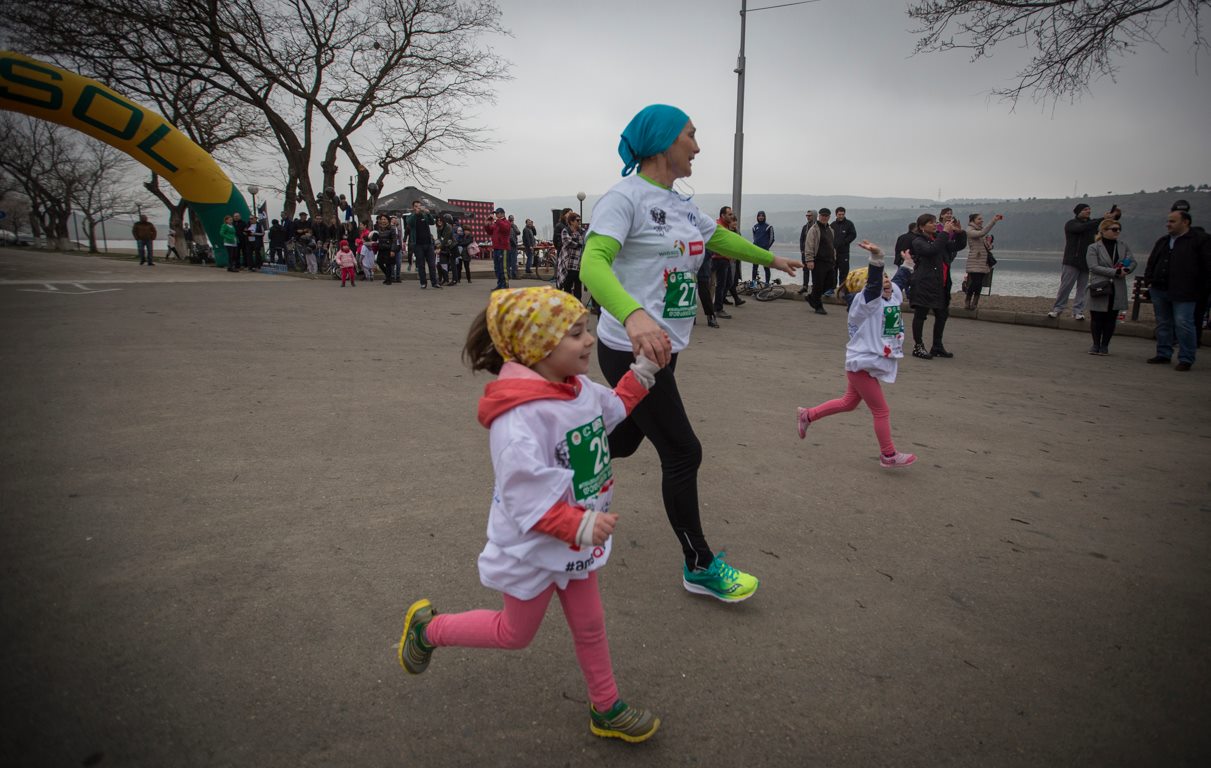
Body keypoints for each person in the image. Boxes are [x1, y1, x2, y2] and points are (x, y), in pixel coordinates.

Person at [398, 286, 663, 743]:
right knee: (513, 633)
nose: (589, 340)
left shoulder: (579, 389)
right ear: (538, 346)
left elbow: (615, 408)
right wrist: (580, 525)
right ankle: (429, 630)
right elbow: (525, 502)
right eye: (576, 334)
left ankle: (606, 707)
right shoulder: (517, 421)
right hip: (536, 547)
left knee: (591, 624)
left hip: (576, 543)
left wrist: (644, 371)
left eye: (586, 329)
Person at [580, 104, 800, 601]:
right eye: (691, 136)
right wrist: (634, 315)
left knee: (625, 441)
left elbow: (716, 236)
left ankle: (561, 458)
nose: (698, 147)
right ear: (663, 142)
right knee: (682, 451)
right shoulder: (624, 198)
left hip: (666, 348)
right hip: (632, 348)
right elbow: (593, 265)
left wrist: (770, 258)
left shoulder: (679, 203)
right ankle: (698, 565)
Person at [797, 241, 917, 468]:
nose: (887, 282)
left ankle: (808, 415)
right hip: (862, 365)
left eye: (887, 278)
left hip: (866, 363)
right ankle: (888, 455)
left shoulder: (891, 296)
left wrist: (907, 265)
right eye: (882, 280)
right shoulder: (865, 304)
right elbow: (873, 286)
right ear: (866, 289)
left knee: (848, 403)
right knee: (881, 410)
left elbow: (899, 281)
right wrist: (877, 259)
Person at [1144, 209, 1211, 371]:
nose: (1168, 224)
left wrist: (1201, 289)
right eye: (1168, 221)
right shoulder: (1163, 241)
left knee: (1183, 323)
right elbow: (1152, 262)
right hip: (1160, 288)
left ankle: (1186, 358)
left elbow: (1207, 266)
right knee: (1163, 323)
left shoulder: (1199, 240)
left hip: (1185, 291)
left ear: (1185, 222)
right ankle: (1163, 353)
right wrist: (1149, 281)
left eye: (1172, 221)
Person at [909, 213, 967, 359]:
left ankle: (937, 346)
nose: (935, 224)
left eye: (935, 222)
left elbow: (958, 246)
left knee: (942, 314)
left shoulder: (939, 239)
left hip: (941, 284)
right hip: (924, 283)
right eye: (931, 222)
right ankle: (918, 346)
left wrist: (959, 233)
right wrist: (945, 232)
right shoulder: (918, 241)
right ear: (921, 226)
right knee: (920, 314)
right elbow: (931, 250)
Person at [1049, 203, 1116, 320]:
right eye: (1085, 209)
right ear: (1078, 211)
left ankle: (1078, 311)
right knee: (1066, 287)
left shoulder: (1093, 224)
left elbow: (1106, 227)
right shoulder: (1071, 224)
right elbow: (1081, 228)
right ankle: (1057, 309)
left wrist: (1111, 217)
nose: (1088, 211)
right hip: (1071, 261)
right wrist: (1102, 219)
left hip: (1086, 262)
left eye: (1089, 209)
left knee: (1082, 289)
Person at [1085, 219, 1134, 355]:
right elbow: (1093, 266)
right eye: (1114, 229)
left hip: (1117, 286)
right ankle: (1095, 344)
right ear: (1103, 230)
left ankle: (1105, 345)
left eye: (1118, 229)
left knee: (1111, 318)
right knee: (1097, 317)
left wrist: (1126, 270)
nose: (1117, 232)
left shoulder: (1123, 246)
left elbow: (1132, 262)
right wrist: (1115, 272)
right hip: (1100, 285)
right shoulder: (1094, 247)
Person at [963, 213, 1002, 310]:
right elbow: (981, 233)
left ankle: (975, 302)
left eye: (982, 219)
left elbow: (986, 246)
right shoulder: (969, 230)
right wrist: (993, 221)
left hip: (983, 261)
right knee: (975, 282)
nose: (981, 221)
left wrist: (989, 244)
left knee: (979, 283)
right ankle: (968, 299)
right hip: (974, 261)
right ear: (973, 220)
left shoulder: (981, 230)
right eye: (979, 219)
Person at [803, 208, 835, 315]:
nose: (824, 218)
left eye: (826, 216)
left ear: (829, 217)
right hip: (818, 261)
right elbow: (809, 245)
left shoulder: (830, 230)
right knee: (818, 284)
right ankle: (818, 306)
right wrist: (809, 260)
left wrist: (834, 258)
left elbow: (832, 246)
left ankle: (811, 297)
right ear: (819, 216)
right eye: (822, 215)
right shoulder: (814, 229)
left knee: (831, 283)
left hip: (829, 261)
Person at [405, 200, 440, 289]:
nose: (418, 208)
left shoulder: (424, 215)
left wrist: (428, 213)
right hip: (418, 244)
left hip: (428, 243)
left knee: (432, 265)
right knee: (421, 265)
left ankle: (434, 282)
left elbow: (432, 222)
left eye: (419, 206)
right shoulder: (410, 216)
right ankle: (423, 283)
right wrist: (415, 214)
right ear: (413, 207)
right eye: (416, 206)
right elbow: (409, 223)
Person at [557, 212, 586, 300]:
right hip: (568, 264)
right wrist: (579, 243)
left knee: (578, 287)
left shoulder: (582, 231)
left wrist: (576, 242)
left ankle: (577, 303)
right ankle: (567, 303)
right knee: (567, 287)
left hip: (578, 265)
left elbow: (585, 242)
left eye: (580, 220)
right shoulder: (566, 231)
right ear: (571, 221)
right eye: (577, 220)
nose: (579, 222)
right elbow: (567, 242)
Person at [829, 206, 857, 296]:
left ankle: (842, 290)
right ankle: (831, 289)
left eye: (842, 214)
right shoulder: (832, 225)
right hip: (834, 253)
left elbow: (853, 235)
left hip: (844, 253)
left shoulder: (849, 224)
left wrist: (845, 242)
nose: (841, 216)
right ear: (836, 214)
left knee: (844, 272)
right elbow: (828, 236)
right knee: (833, 271)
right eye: (839, 214)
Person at [489, 207, 512, 289]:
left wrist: (497, 220)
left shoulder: (506, 222)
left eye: (497, 213)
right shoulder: (496, 224)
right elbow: (489, 231)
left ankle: (505, 285)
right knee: (497, 268)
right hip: (496, 248)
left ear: (502, 213)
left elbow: (505, 229)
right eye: (495, 214)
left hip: (503, 248)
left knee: (504, 268)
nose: (496, 215)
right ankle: (500, 284)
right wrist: (487, 223)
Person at [750, 211, 774, 284]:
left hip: (765, 250)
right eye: (759, 216)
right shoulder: (754, 227)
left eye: (762, 216)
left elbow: (772, 239)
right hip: (756, 250)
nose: (761, 217)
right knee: (755, 267)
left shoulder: (769, 227)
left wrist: (766, 247)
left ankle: (767, 283)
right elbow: (754, 238)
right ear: (757, 217)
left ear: (764, 217)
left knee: (766, 267)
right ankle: (754, 284)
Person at [798, 210, 817, 295]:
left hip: (815, 252)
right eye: (807, 216)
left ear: (814, 216)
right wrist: (802, 250)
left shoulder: (817, 227)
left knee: (815, 270)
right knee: (805, 269)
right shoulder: (805, 227)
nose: (808, 217)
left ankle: (814, 286)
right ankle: (805, 286)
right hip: (805, 252)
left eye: (810, 216)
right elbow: (801, 239)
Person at [507, 214, 521, 280]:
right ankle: (513, 274)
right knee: (512, 261)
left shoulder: (509, 225)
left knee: (509, 261)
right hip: (512, 245)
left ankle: (509, 274)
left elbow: (518, 232)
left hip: (509, 245)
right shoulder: (509, 226)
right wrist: (515, 244)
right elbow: (516, 233)